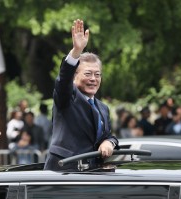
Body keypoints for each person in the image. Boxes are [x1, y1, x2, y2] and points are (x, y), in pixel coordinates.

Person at [44, 19, 119, 171]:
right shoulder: (67, 97)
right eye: (88, 74)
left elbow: (108, 136)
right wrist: (76, 52)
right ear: (74, 77)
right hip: (64, 174)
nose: (93, 79)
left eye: (97, 74)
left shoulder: (103, 108)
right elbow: (63, 79)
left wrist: (109, 143)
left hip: (92, 176)